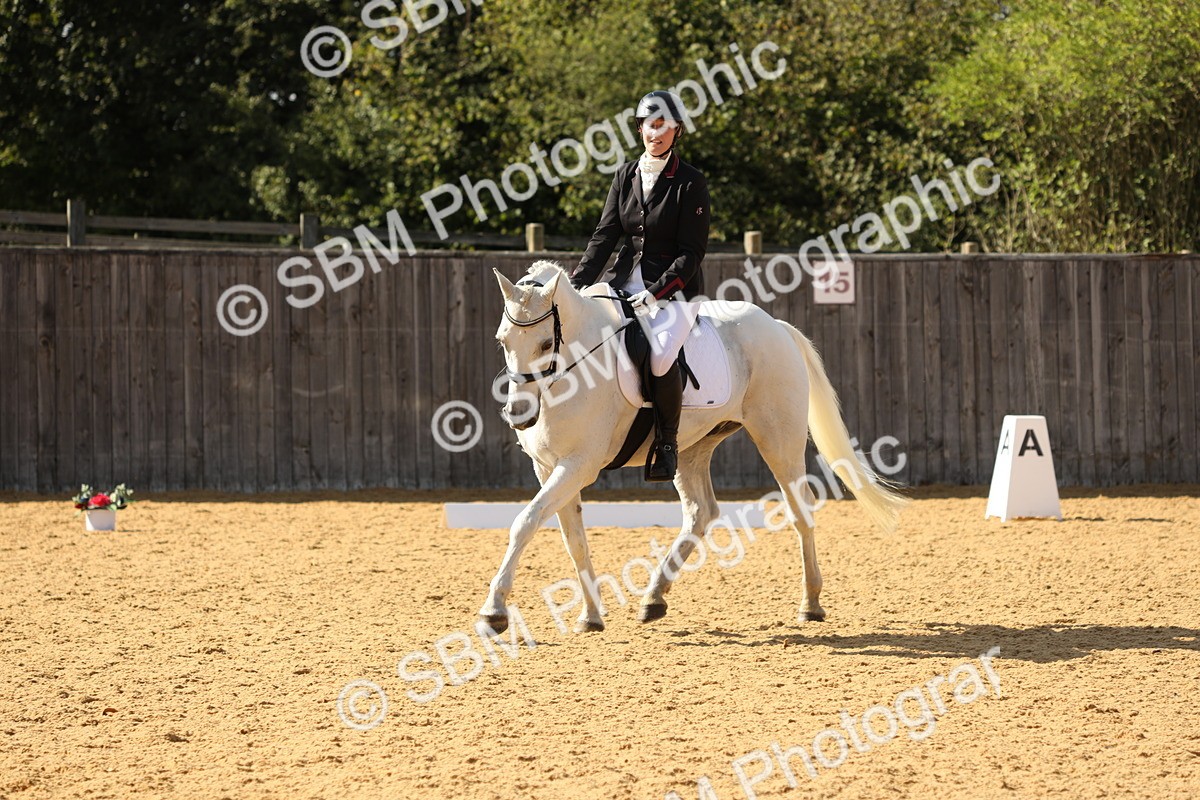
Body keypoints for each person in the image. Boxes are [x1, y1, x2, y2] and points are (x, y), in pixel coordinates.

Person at [569, 90, 710, 481]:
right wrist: (574, 285)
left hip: (677, 292)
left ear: (676, 131)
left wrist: (655, 294)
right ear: (640, 128)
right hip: (622, 284)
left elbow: (691, 252)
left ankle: (667, 443)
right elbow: (604, 236)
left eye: (665, 126)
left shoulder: (690, 182)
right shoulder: (625, 175)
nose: (657, 133)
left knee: (661, 355)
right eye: (651, 125)